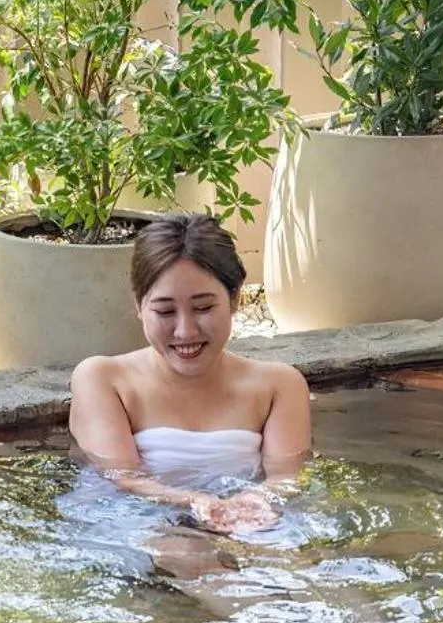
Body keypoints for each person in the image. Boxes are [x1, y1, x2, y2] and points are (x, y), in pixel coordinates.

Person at [68, 214, 311, 575]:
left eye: (203, 308)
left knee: (308, 572)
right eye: (165, 311)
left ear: (234, 298)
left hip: (244, 522)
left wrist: (255, 498)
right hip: (137, 522)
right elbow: (120, 476)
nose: (185, 331)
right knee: (187, 553)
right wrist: (195, 501)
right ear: (138, 305)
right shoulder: (103, 379)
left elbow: (286, 476)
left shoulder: (278, 385)